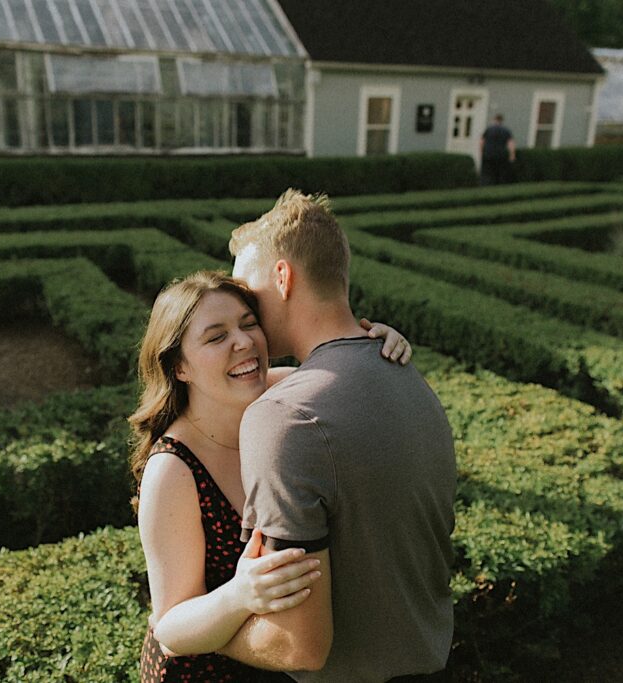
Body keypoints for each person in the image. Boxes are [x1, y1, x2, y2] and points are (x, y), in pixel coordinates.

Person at [129, 270, 412, 682]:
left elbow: (347, 376)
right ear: (179, 367)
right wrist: (238, 596)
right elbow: (170, 626)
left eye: (248, 324)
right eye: (215, 337)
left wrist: (376, 344)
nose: (243, 342)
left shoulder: (276, 391)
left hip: (275, 665)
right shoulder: (173, 469)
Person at [221, 190, 458, 682]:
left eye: (247, 293)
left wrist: (191, 631)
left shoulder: (283, 418)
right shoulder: (405, 372)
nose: (242, 311)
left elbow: (299, 647)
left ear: (283, 278)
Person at [479, 113, 516, 185]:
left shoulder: (489, 130)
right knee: (501, 173)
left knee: (488, 173)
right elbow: (511, 144)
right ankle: (499, 186)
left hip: (488, 154)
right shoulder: (506, 131)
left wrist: (481, 152)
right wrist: (512, 155)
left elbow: (481, 142)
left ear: (495, 120)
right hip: (501, 155)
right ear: (502, 121)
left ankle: (487, 185)